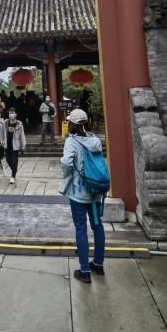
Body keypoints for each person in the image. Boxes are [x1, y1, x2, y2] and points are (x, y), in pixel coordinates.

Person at [59, 108, 105, 284]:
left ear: (72, 124)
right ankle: (98, 264)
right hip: (96, 193)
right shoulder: (95, 140)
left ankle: (85, 270)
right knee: (97, 226)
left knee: (81, 229)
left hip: (79, 193)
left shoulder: (72, 142)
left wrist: (66, 176)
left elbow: (67, 163)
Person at [4, 108, 26, 184]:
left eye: (13, 113)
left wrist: (23, 146)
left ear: (16, 114)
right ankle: (14, 170)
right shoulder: (6, 122)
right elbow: (2, 133)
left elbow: (22, 135)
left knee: (14, 161)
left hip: (15, 145)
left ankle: (13, 176)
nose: (11, 114)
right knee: (7, 159)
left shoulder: (19, 124)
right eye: (10, 113)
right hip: (7, 144)